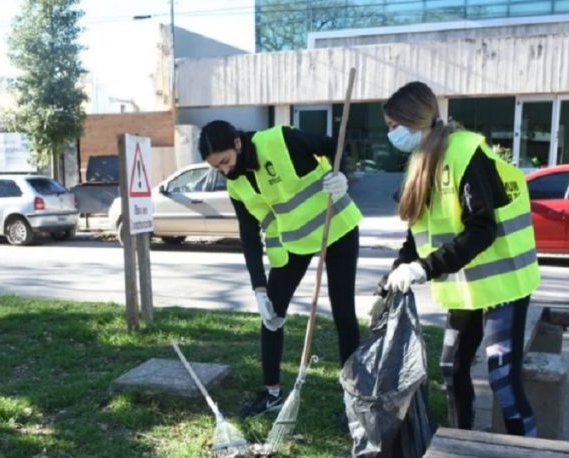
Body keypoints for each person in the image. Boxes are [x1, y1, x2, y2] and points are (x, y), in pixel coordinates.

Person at [382, 81, 541, 436]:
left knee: (502, 377)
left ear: (413, 121)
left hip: (505, 283)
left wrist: (425, 268)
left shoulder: (466, 153)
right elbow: (416, 233)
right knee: (453, 369)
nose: (390, 135)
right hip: (466, 288)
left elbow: (482, 228)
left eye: (393, 127)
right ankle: (462, 445)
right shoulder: (420, 163)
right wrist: (395, 273)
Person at [198, 120, 362, 417]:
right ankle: (272, 394)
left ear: (237, 143)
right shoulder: (236, 184)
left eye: (225, 161)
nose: (224, 170)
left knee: (343, 313)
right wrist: (259, 290)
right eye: (217, 168)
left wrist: (343, 176)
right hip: (294, 242)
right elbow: (248, 238)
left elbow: (335, 147)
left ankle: (355, 398)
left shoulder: (280, 140)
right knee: (271, 315)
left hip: (335, 224)